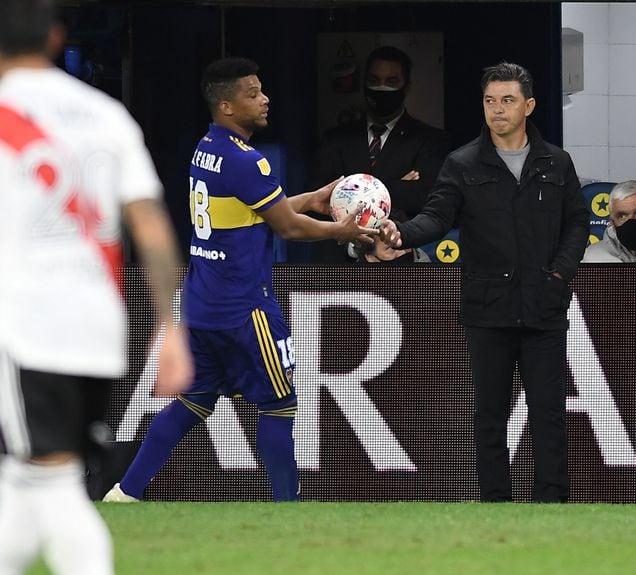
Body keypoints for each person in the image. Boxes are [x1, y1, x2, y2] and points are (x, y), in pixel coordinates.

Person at [103, 57, 377, 504]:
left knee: (193, 401)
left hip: (202, 303)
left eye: (263, 89)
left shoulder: (207, 149)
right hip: (245, 306)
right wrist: (342, 231)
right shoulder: (247, 161)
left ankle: (125, 492)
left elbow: (259, 212)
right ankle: (288, 510)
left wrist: (316, 200)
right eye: (252, 93)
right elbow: (286, 227)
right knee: (279, 404)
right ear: (228, 106)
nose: (265, 98)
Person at [0, 1, 194, 573]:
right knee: (33, 481)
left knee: (50, 487)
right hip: (94, 330)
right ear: (57, 38)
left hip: (23, 328)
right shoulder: (106, 114)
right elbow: (154, 230)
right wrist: (169, 328)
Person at [380, 62, 589, 502]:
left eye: (508, 100)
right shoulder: (462, 162)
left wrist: (561, 273)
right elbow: (437, 216)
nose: (498, 109)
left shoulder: (557, 161)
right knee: (489, 415)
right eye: (490, 101)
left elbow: (577, 222)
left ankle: (551, 505)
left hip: (544, 303)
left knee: (548, 413)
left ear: (528, 106)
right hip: (486, 307)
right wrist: (402, 233)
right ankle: (495, 504)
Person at [307, 45, 450, 263]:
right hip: (341, 266)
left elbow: (425, 200)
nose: (381, 89)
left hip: (403, 266)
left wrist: (348, 194)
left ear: (407, 87)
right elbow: (317, 201)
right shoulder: (335, 139)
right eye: (374, 81)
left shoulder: (430, 140)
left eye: (391, 82)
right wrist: (396, 186)